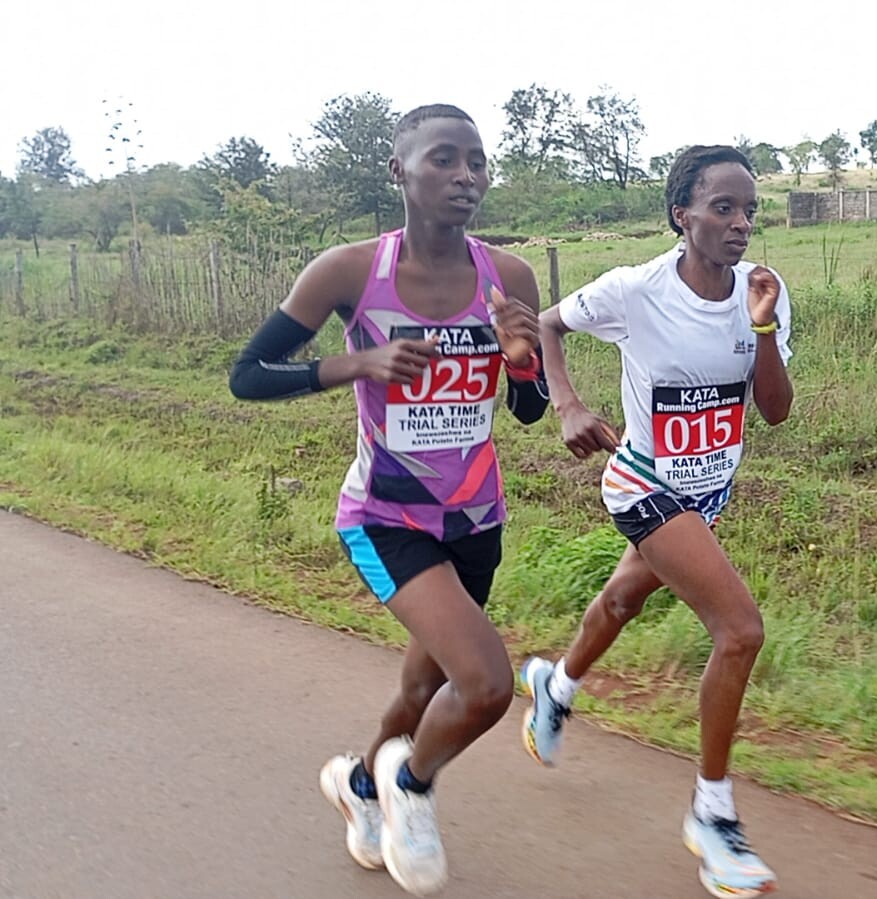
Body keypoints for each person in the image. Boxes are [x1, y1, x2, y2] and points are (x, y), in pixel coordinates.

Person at [228, 103, 548, 897]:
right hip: (385, 516)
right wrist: (356, 364)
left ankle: (360, 784)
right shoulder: (348, 271)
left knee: (422, 688)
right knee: (485, 684)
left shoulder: (508, 276)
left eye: (477, 161)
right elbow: (247, 375)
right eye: (444, 158)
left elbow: (530, 409)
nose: (466, 175)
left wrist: (519, 361)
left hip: (476, 518)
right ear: (398, 169)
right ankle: (412, 785)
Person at [520, 145, 793, 898]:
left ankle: (555, 686)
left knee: (621, 601)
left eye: (749, 211)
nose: (740, 224)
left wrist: (763, 328)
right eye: (722, 208)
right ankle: (713, 814)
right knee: (740, 630)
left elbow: (774, 411)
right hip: (641, 482)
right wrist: (567, 404)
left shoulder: (763, 290)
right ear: (682, 215)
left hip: (706, 493)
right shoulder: (635, 289)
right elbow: (546, 324)